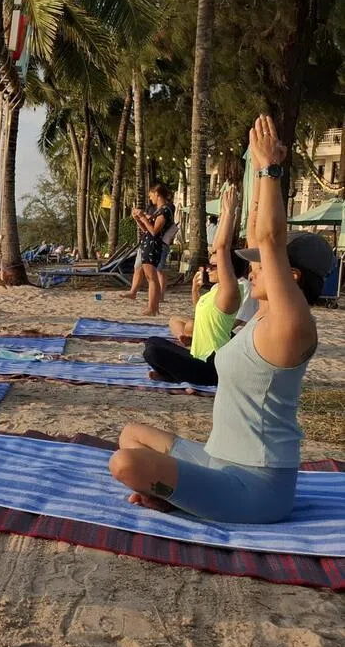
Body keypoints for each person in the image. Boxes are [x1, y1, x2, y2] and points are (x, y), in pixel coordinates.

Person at [109, 115, 336, 524]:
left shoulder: (292, 325)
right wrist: (252, 170)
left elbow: (268, 240)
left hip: (256, 488)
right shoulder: (264, 315)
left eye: (262, 267)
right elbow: (257, 235)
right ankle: (182, 496)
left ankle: (176, 497)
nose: (253, 269)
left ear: (292, 276)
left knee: (126, 465)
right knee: (132, 435)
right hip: (219, 460)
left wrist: (271, 170)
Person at [142, 187, 249, 386]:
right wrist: (194, 291)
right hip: (197, 356)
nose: (209, 267)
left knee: (153, 351)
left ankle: (178, 376)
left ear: (229, 270)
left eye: (215, 265)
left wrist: (228, 213)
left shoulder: (232, 291)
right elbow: (201, 313)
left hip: (212, 367)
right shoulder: (217, 290)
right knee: (152, 342)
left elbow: (222, 247)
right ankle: (175, 375)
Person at [132, 183, 174, 315]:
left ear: (157, 194)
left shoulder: (165, 210)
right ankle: (153, 307)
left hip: (153, 246)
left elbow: (155, 232)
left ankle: (153, 307)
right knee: (150, 277)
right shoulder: (158, 211)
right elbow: (147, 230)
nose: (151, 199)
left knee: (152, 278)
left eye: (151, 196)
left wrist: (144, 218)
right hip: (148, 244)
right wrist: (138, 220)